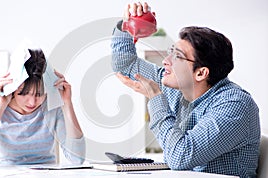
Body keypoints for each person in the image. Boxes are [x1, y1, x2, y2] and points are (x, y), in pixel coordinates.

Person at [111, 2, 260, 178]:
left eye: (177, 56)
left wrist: (156, 97)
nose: (166, 61)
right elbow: (125, 65)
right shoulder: (178, 88)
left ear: (200, 73)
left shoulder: (235, 105)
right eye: (170, 52)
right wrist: (126, 25)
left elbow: (180, 157)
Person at [0, 48, 85, 167]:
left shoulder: (51, 105)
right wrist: (0, 107)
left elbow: (77, 159)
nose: (32, 102)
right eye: (23, 93)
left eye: (39, 94)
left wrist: (67, 104)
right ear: (12, 88)